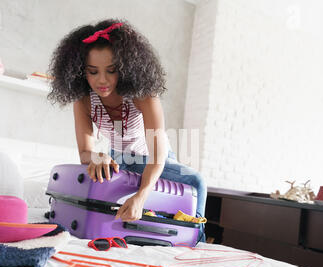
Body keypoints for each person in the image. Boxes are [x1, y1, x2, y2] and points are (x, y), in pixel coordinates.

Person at [48, 18, 207, 241]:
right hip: (119, 159)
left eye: (111, 71)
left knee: (196, 182)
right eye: (93, 72)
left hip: (154, 160)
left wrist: (142, 195)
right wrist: (97, 156)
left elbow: (157, 156)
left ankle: (195, 239)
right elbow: (84, 152)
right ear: (80, 71)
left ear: (124, 68)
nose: (101, 80)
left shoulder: (144, 95)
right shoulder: (83, 100)